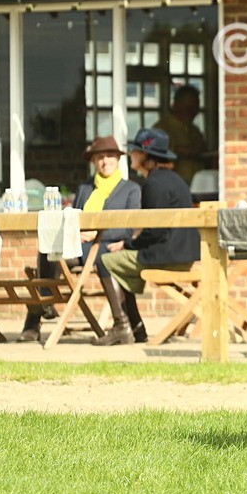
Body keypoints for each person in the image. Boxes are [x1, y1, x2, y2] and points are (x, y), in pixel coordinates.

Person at [18, 136, 142, 343]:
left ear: (118, 159)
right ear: (93, 161)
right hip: (79, 245)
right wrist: (75, 233)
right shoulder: (85, 188)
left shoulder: (131, 189)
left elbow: (128, 227)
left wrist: (97, 234)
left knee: (100, 256)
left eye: (109, 156)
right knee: (48, 247)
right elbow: (72, 217)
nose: (105, 161)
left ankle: (41, 306)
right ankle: (43, 306)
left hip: (105, 247)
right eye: (100, 157)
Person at [92, 128, 200, 346]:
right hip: (183, 251)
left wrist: (128, 243)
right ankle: (136, 329)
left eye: (135, 151)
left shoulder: (154, 183)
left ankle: (122, 327)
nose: (131, 155)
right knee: (118, 260)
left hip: (167, 255)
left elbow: (154, 232)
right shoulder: (174, 179)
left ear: (145, 156)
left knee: (105, 260)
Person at [153, 85, 205, 185]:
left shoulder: (195, 131)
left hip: (198, 185)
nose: (193, 112)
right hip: (172, 186)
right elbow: (156, 161)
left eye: (195, 107)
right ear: (176, 105)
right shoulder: (161, 129)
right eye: (188, 107)